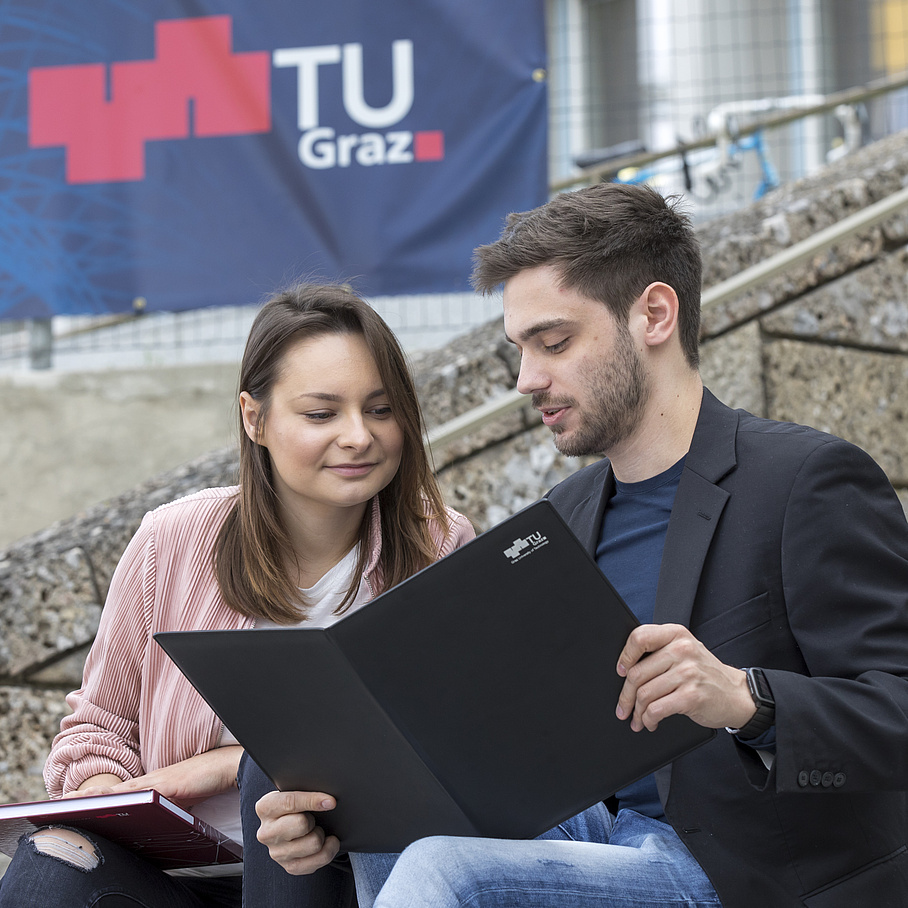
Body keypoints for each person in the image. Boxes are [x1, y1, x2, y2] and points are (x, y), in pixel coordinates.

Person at [336, 183, 908, 908]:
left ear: (654, 315)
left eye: (554, 342)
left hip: (738, 877)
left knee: (450, 873)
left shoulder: (805, 482)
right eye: (521, 350)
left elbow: (898, 712)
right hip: (597, 837)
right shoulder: (559, 517)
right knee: (384, 809)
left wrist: (743, 698)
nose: (527, 380)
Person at [0, 283, 474, 908]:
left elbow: (460, 747)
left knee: (268, 778)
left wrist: (234, 763)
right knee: (51, 864)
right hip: (184, 879)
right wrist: (111, 792)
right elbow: (95, 726)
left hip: (340, 877)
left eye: (381, 409)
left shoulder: (442, 545)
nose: (359, 435)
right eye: (321, 413)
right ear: (255, 418)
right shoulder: (173, 540)